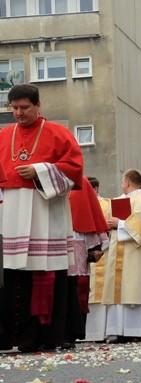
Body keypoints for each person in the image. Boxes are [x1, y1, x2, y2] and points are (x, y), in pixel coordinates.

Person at [0, 83, 83, 352]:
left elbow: (74, 170)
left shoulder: (59, 133)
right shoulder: (4, 135)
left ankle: (51, 336)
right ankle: (13, 338)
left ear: (38, 105)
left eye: (24, 108)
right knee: (13, 274)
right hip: (12, 210)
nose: (18, 113)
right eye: (14, 108)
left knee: (47, 271)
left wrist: (40, 171)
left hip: (45, 210)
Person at [102, 169, 141, 341]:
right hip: (122, 254)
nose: (122, 184)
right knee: (121, 290)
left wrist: (120, 223)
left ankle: (138, 330)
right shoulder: (124, 200)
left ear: (127, 182)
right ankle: (121, 330)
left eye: (123, 180)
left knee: (136, 288)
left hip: (137, 255)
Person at [67, 177, 110, 346]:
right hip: (54, 239)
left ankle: (72, 332)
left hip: (77, 239)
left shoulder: (82, 182)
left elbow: (90, 213)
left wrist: (97, 244)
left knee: (77, 287)